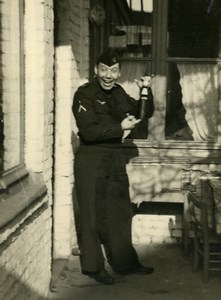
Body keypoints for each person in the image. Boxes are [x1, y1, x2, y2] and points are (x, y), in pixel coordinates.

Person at [72, 48, 154, 285]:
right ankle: (93, 267)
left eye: (114, 70)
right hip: (91, 159)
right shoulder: (84, 95)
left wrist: (145, 90)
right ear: (96, 70)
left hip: (115, 158)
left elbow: (143, 113)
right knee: (91, 215)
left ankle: (126, 263)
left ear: (119, 73)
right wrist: (120, 128)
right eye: (104, 70)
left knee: (120, 211)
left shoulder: (118, 93)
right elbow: (89, 131)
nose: (109, 75)